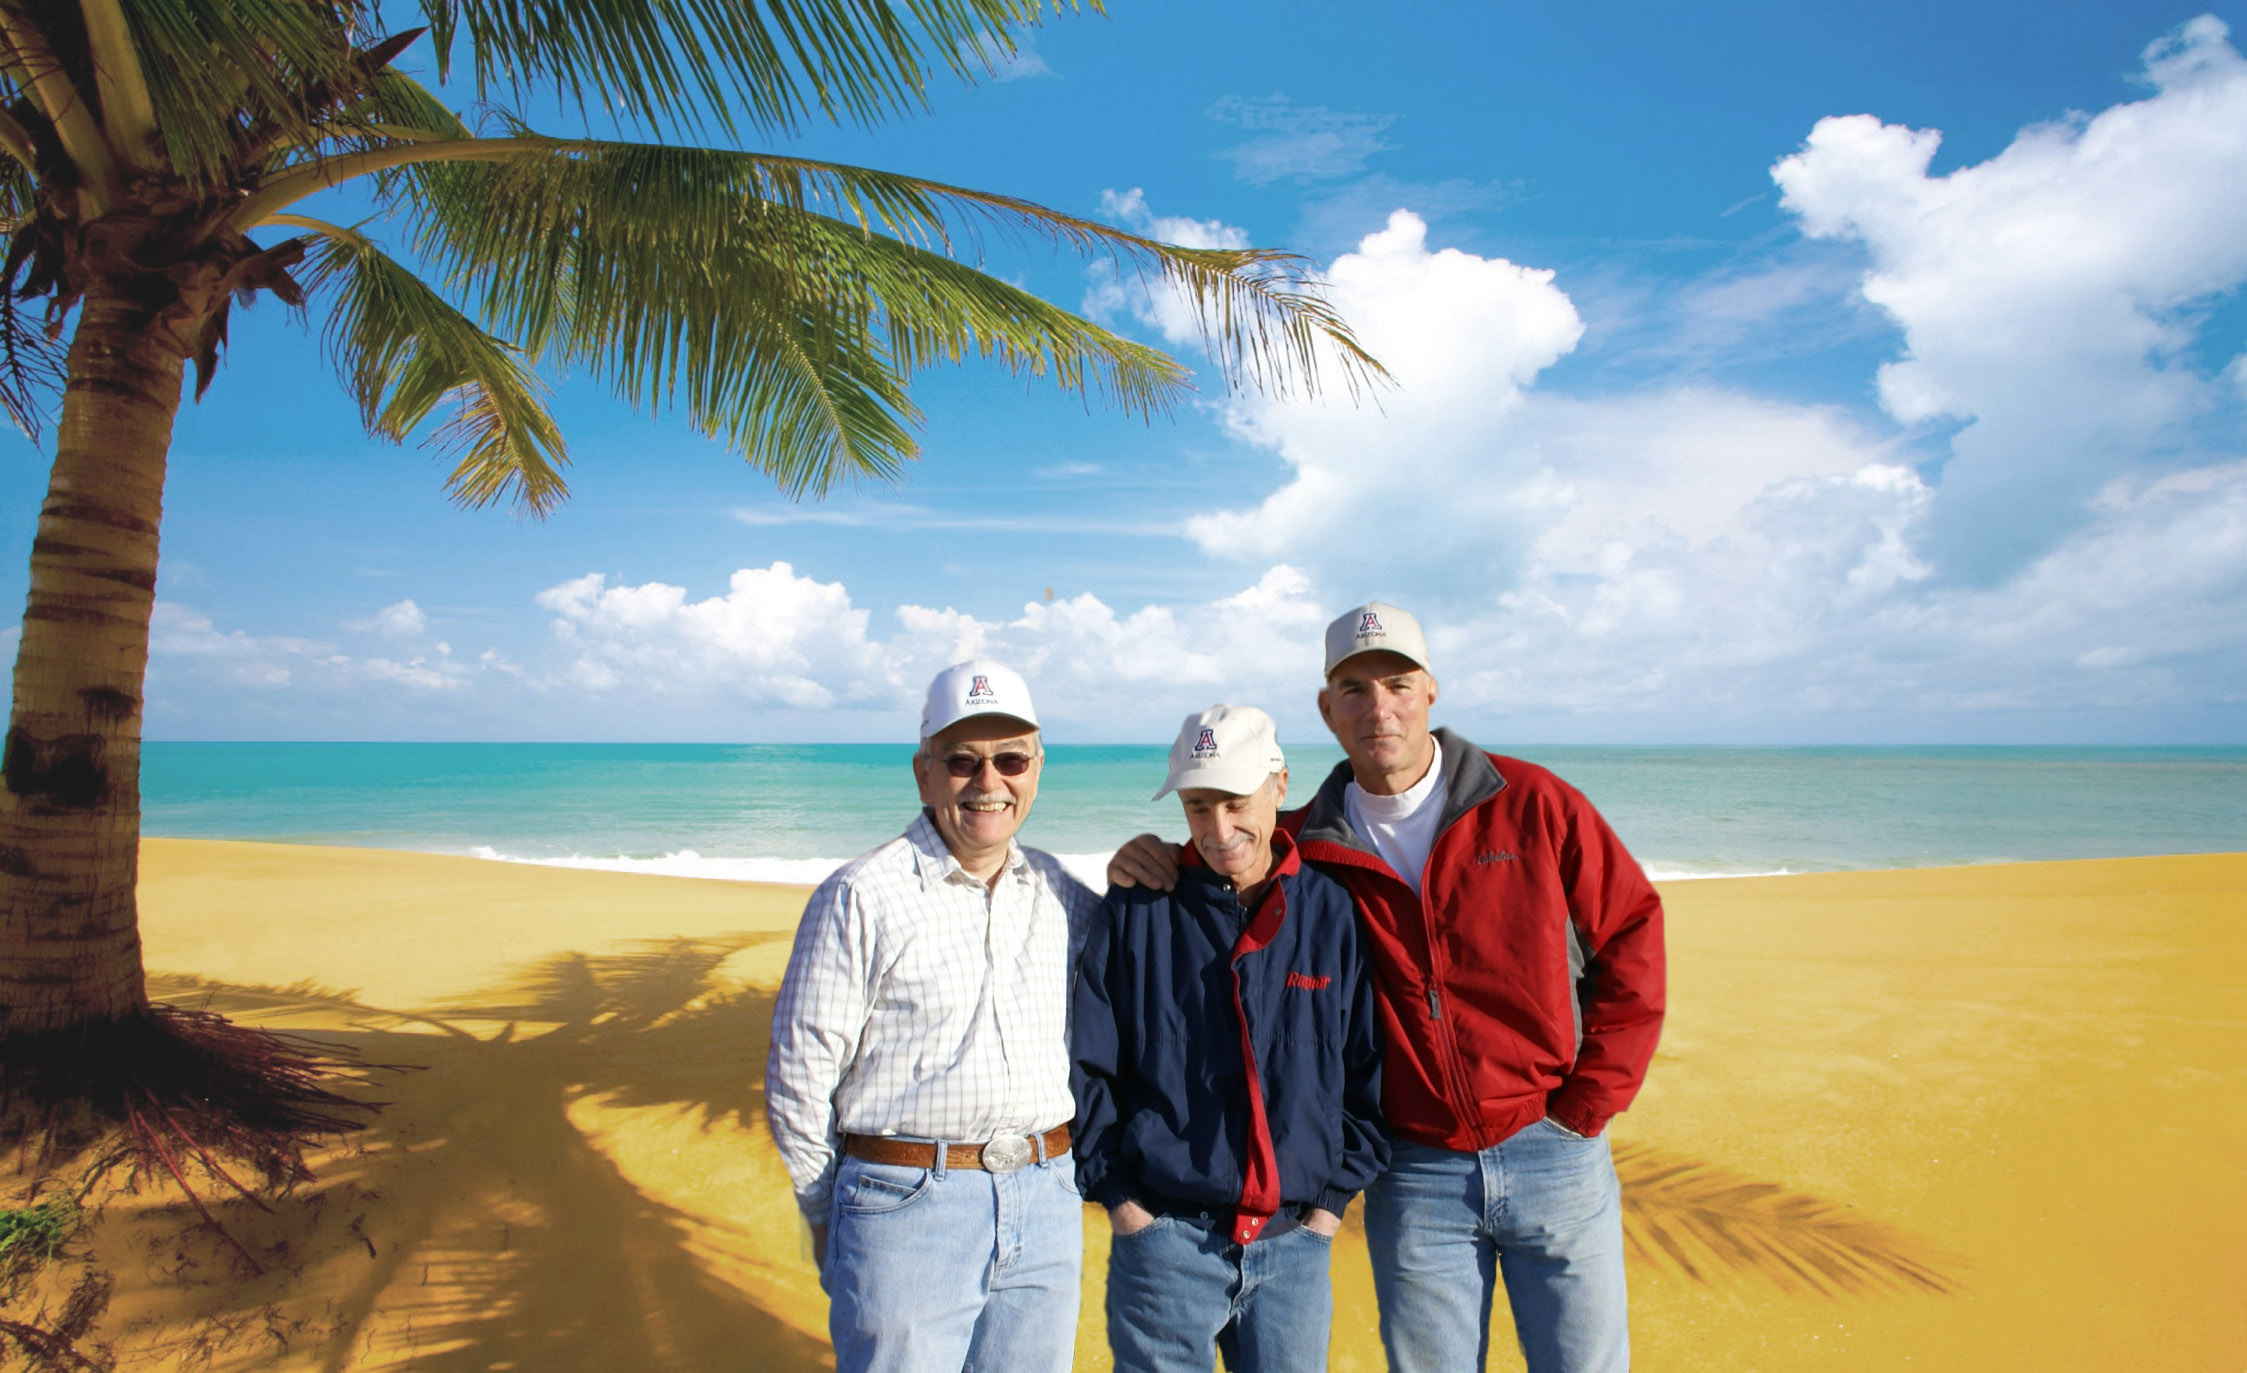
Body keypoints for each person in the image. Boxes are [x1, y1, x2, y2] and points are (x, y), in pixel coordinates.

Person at [1109, 603, 1666, 1373]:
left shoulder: (1531, 802)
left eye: (1397, 682)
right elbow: (1226, 834)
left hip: (1553, 1144)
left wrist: (1588, 1102)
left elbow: (1632, 930)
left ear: (1430, 690)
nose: (1378, 706)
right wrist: (1150, 856)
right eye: (1354, 687)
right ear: (1326, 708)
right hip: (1414, 1169)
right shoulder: (1304, 839)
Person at [766, 659, 1098, 1373]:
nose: (988, 782)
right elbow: (799, 1075)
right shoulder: (860, 895)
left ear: (1036, 769)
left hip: (1044, 1199)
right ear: (923, 772)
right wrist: (833, 1213)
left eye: (1010, 759)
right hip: (905, 1204)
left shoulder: (1062, 892)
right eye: (961, 761)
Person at [1073, 704, 1387, 1373]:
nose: (1218, 830)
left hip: (1295, 1248)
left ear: (1279, 783)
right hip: (1163, 1242)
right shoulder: (1137, 906)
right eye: (1196, 807)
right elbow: (1088, 1066)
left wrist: (1328, 1208)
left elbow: (1366, 1071)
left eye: (1235, 802)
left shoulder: (1331, 910)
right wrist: (1124, 1204)